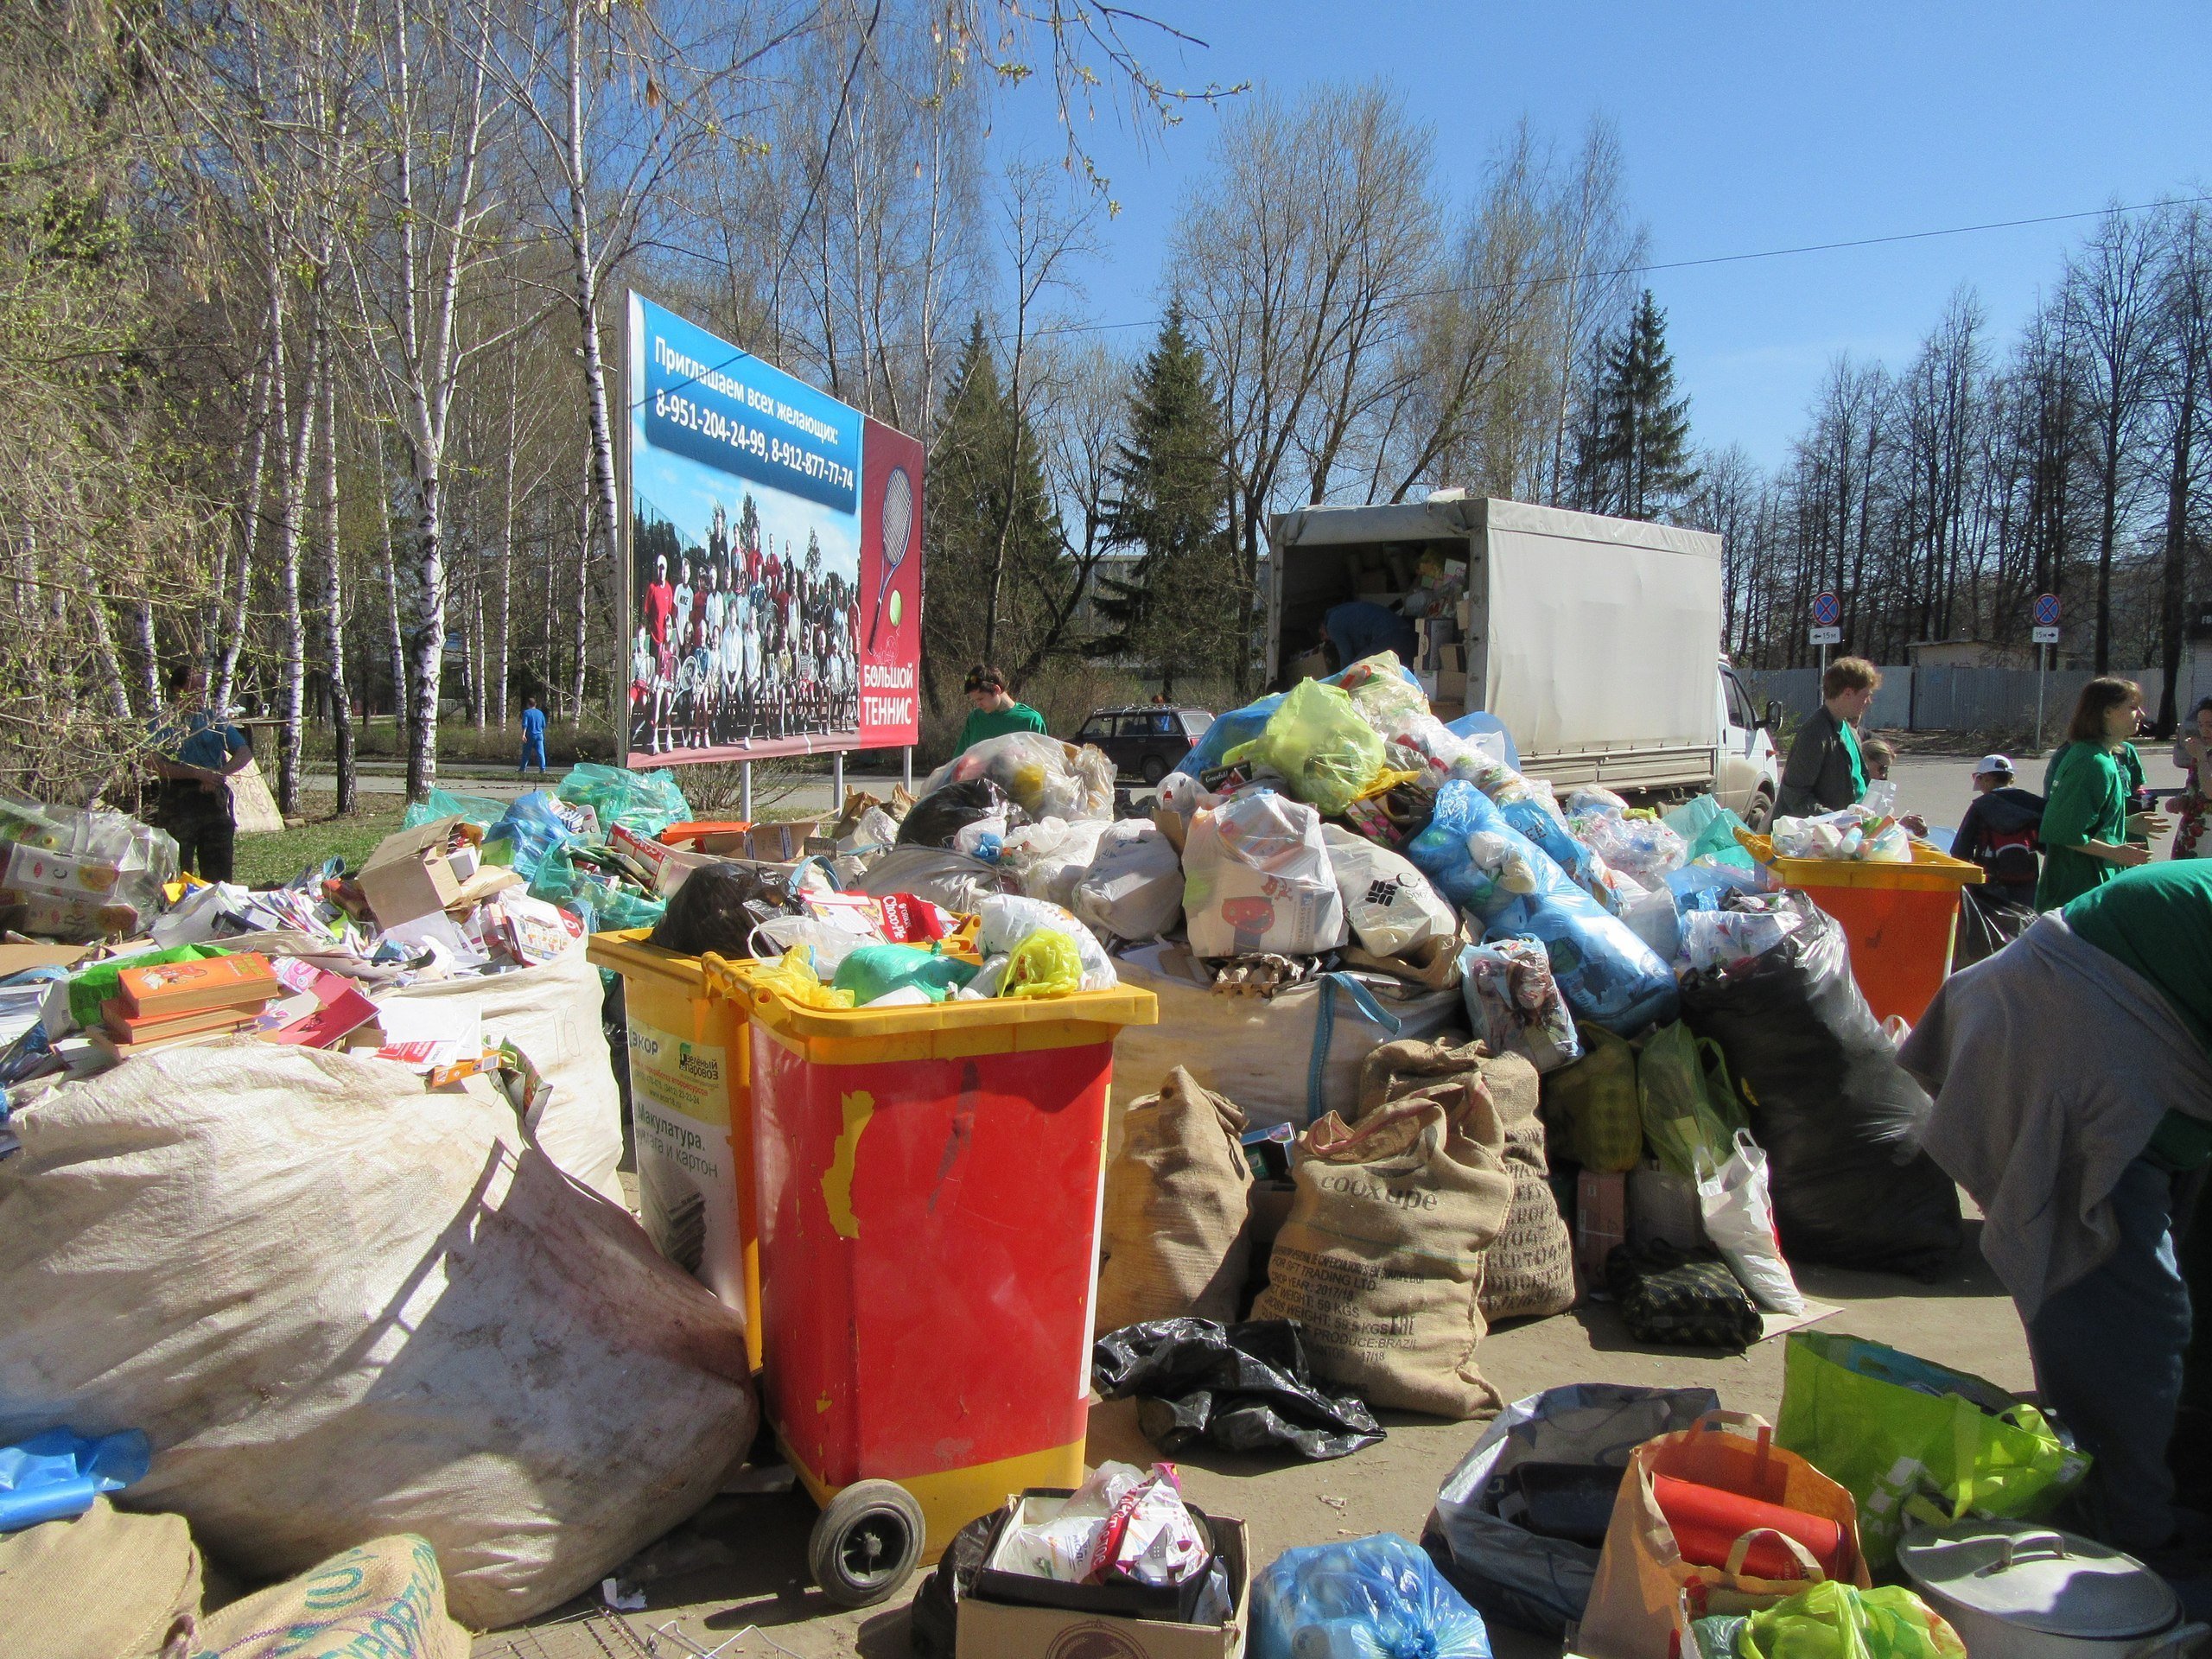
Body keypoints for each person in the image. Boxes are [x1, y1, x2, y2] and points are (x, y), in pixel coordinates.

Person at [1902, 861, 2212, 1560]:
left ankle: (2164, 1459)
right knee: (2123, 1309)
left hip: (2130, 1032)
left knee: (2156, 1291)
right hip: (2076, 1035)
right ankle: (2127, 1539)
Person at [2038, 677, 2171, 909]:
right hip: (2076, 895)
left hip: (2094, 891)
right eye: (2132, 707)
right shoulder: (2091, 762)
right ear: (2107, 712)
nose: (2140, 714)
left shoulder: (2105, 756)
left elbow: (2086, 821)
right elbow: (2065, 832)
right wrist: (2117, 853)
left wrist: (2126, 824)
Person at [149, 664, 253, 883]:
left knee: (219, 874)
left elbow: (243, 752)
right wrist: (195, 773)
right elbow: (153, 763)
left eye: (203, 689)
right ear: (178, 690)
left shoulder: (214, 720)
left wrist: (218, 774)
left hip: (213, 800)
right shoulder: (162, 722)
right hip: (178, 803)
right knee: (176, 871)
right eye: (194, 688)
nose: (201, 695)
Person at [1777, 656, 1880, 817]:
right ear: (1847, 693)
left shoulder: (1851, 731)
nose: (1869, 702)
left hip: (1848, 833)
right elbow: (1796, 795)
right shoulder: (1815, 734)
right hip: (1816, 836)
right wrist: (1836, 820)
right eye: (1865, 695)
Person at [1950, 754, 2045, 906]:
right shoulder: (2034, 803)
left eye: (1979, 778)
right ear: (2011, 778)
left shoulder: (1980, 806)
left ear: (1987, 777)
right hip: (2027, 882)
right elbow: (2046, 845)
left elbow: (1961, 851)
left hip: (1990, 882)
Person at [954, 664, 1046, 755]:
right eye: (975, 701)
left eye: (980, 699)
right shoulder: (975, 719)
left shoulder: (1030, 720)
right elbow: (959, 762)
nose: (978, 705)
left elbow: (1045, 762)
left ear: (996, 690)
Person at [1855, 737, 1929, 836]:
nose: (1883, 776)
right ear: (1866, 761)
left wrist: (1900, 822)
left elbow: (1874, 821)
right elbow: (1860, 829)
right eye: (1882, 769)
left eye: (1886, 771)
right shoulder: (1854, 789)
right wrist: (1899, 823)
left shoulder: (1872, 789)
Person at [1319, 600, 1418, 672]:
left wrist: (1340, 680)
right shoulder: (1342, 610)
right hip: (1403, 627)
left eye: (1323, 635)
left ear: (1322, 626)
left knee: (1357, 669)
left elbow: (1346, 656)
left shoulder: (1332, 625)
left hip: (1387, 635)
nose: (1327, 639)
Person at [2173, 697, 2211, 861]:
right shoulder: (2204, 753)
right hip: (2194, 833)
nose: (2204, 731)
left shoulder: (2202, 755)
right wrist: (2182, 800)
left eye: (2211, 725)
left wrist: (2202, 759)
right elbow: (2196, 790)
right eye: (2201, 724)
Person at [518, 696, 548, 777]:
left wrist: (523, 735)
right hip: (539, 735)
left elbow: (525, 725)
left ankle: (522, 768)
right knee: (540, 752)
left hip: (530, 735)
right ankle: (542, 769)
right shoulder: (540, 713)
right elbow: (543, 725)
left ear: (528, 704)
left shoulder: (526, 713)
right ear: (535, 704)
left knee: (526, 753)